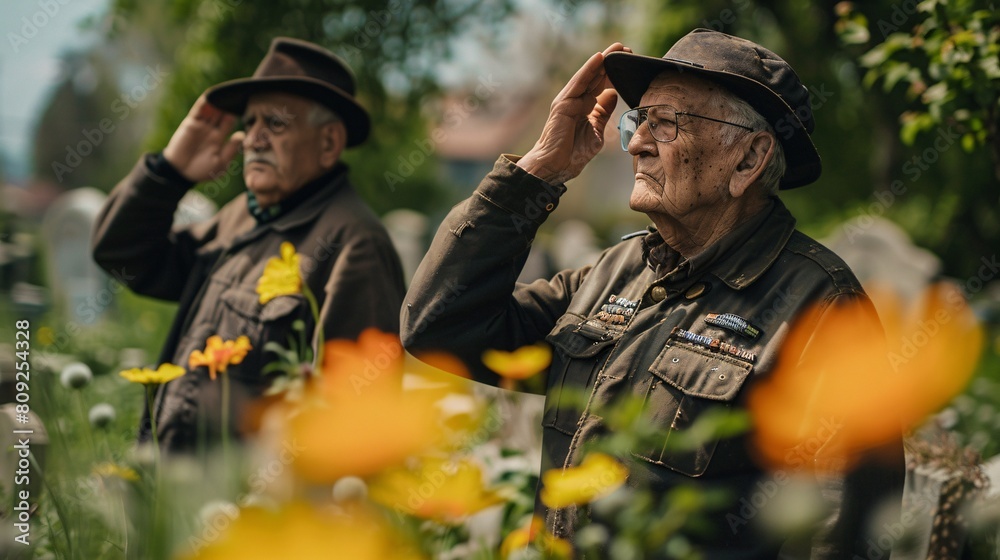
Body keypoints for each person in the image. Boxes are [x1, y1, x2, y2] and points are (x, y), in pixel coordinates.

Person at [402, 29, 904, 557]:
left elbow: (839, 532)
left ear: (749, 158)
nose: (638, 142)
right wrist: (538, 172)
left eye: (666, 124)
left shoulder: (821, 306)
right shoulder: (616, 270)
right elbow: (441, 328)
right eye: (639, 120)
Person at [93, 37, 406, 453]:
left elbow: (355, 418)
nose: (251, 140)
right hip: (175, 499)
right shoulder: (240, 215)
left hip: (249, 508)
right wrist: (170, 172)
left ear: (329, 143)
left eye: (274, 124)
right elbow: (125, 257)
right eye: (250, 123)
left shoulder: (355, 243)